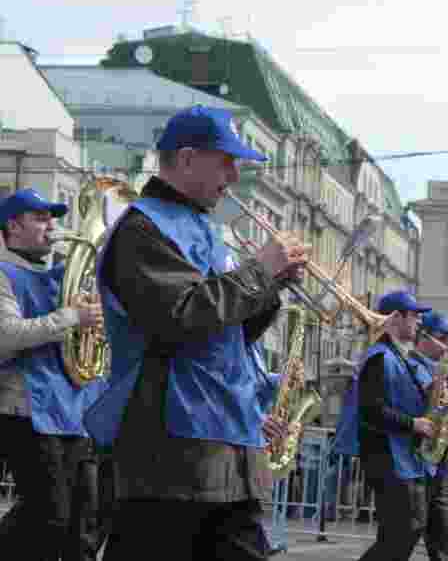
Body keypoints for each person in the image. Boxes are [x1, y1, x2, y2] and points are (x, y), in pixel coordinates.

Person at [84, 105, 304, 560]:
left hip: (226, 437)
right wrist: (258, 272)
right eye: (225, 159)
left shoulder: (204, 227)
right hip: (172, 450)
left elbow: (228, 334)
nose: (235, 172)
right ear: (186, 159)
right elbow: (181, 317)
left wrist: (270, 286)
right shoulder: (143, 226)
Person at [0, 188, 107, 560]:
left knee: (83, 527)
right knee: (49, 517)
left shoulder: (62, 276)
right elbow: (6, 336)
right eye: (40, 217)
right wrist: (73, 317)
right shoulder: (3, 273)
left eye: (53, 217)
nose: (52, 225)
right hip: (27, 412)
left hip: (72, 413)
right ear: (12, 225)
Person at [346, 290, 448, 561]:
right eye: (414, 315)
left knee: (403, 531)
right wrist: (415, 424)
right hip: (387, 457)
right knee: (404, 530)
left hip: (402, 456)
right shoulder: (380, 357)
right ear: (396, 317)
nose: (418, 322)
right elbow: (371, 410)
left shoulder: (397, 356)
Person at [410, 310, 448, 561]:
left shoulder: (436, 369)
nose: (445, 346)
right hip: (417, 464)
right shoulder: (414, 365)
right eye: (441, 338)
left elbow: (440, 412)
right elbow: (426, 412)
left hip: (437, 465)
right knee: (402, 537)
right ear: (423, 337)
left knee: (445, 540)